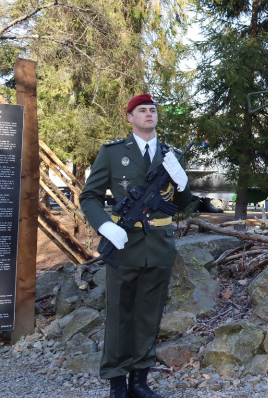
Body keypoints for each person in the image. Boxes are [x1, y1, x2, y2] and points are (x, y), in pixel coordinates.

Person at [80, 94, 192, 398]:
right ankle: (117, 382)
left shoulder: (172, 155)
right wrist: (105, 225)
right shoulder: (113, 152)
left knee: (149, 314)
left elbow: (183, 204)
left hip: (159, 245)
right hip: (123, 245)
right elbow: (89, 196)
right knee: (119, 314)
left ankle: (140, 381)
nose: (148, 114)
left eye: (152, 110)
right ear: (129, 117)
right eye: (141, 110)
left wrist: (183, 184)